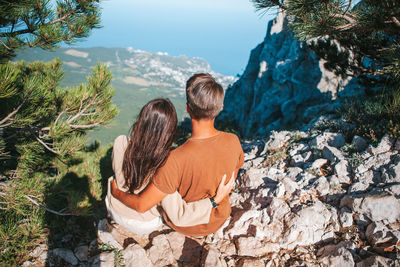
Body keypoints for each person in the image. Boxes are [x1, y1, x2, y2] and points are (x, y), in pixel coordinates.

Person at [111, 73, 244, 237]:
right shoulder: (233, 141)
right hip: (220, 218)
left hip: (188, 225)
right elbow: (232, 174)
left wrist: (116, 192)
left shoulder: (174, 159)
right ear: (219, 107)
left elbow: (143, 204)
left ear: (188, 109)